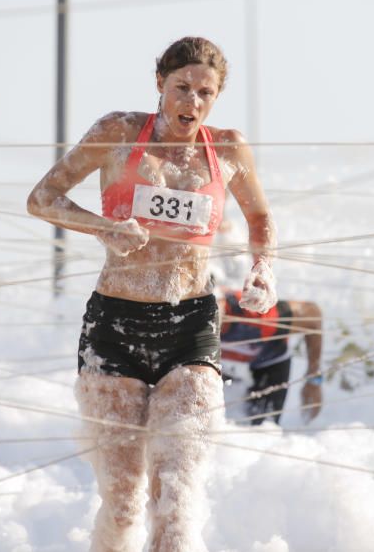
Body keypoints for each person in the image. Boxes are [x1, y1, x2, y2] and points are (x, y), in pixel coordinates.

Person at [27, 36, 276, 552]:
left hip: (191, 329)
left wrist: (263, 269)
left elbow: (259, 216)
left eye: (206, 93)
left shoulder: (227, 147)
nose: (193, 103)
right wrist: (104, 228)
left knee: (176, 500)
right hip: (114, 329)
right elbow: (43, 198)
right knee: (122, 503)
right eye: (182, 88)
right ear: (160, 84)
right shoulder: (117, 131)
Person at [219, 290, 323, 425]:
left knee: (263, 428)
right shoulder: (186, 324)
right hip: (226, 363)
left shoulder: (256, 316)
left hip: (269, 361)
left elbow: (313, 316)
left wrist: (313, 380)